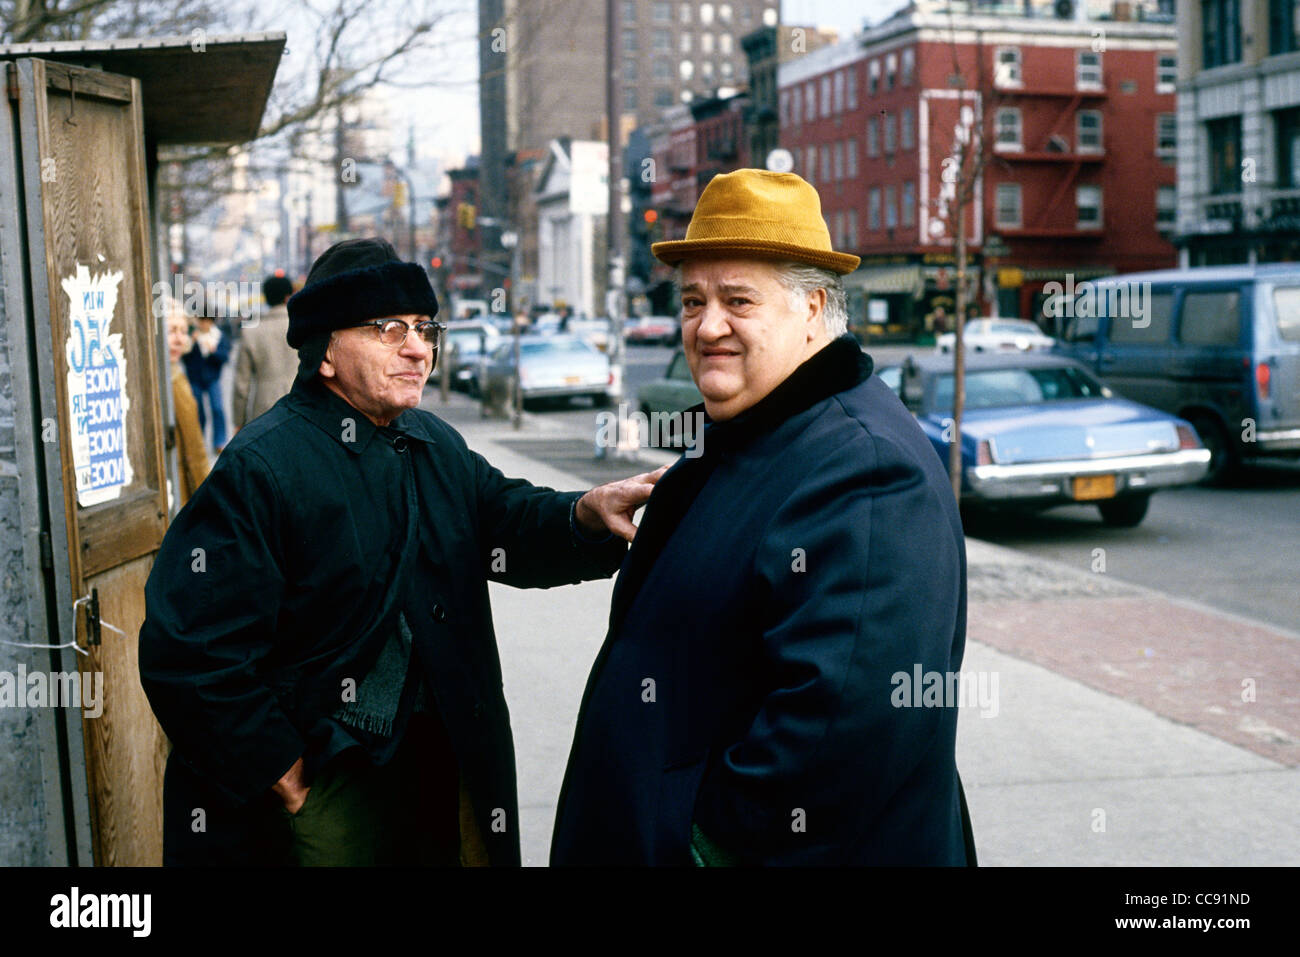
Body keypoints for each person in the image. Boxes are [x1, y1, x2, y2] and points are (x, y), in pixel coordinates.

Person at [139, 237, 662, 866]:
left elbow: (506, 520)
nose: (419, 348)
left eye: (424, 328)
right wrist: (282, 771)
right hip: (328, 776)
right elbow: (188, 650)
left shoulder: (431, 440)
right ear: (326, 351)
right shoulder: (263, 466)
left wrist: (587, 513)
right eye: (389, 329)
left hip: (439, 760)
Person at [550, 169, 977, 866]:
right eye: (693, 300)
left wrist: (691, 837)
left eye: (737, 299)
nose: (707, 324)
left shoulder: (864, 467)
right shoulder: (752, 433)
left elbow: (841, 732)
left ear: (813, 308)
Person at [230, 273, 298, 432]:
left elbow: (241, 384)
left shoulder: (251, 333)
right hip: (302, 406)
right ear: (289, 297)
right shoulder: (305, 328)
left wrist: (239, 420)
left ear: (266, 298)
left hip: (264, 410)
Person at [164, 304, 210, 505]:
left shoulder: (175, 375)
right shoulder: (168, 381)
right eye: (172, 330)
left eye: (183, 331)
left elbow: (195, 445)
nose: (179, 339)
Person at [181, 307, 231, 454]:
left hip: (212, 378)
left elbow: (225, 357)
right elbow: (183, 356)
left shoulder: (219, 336)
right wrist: (191, 342)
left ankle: (219, 441)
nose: (203, 324)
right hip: (195, 378)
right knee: (198, 411)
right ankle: (199, 441)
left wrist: (213, 351)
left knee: (217, 408)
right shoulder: (192, 335)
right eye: (201, 320)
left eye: (206, 321)